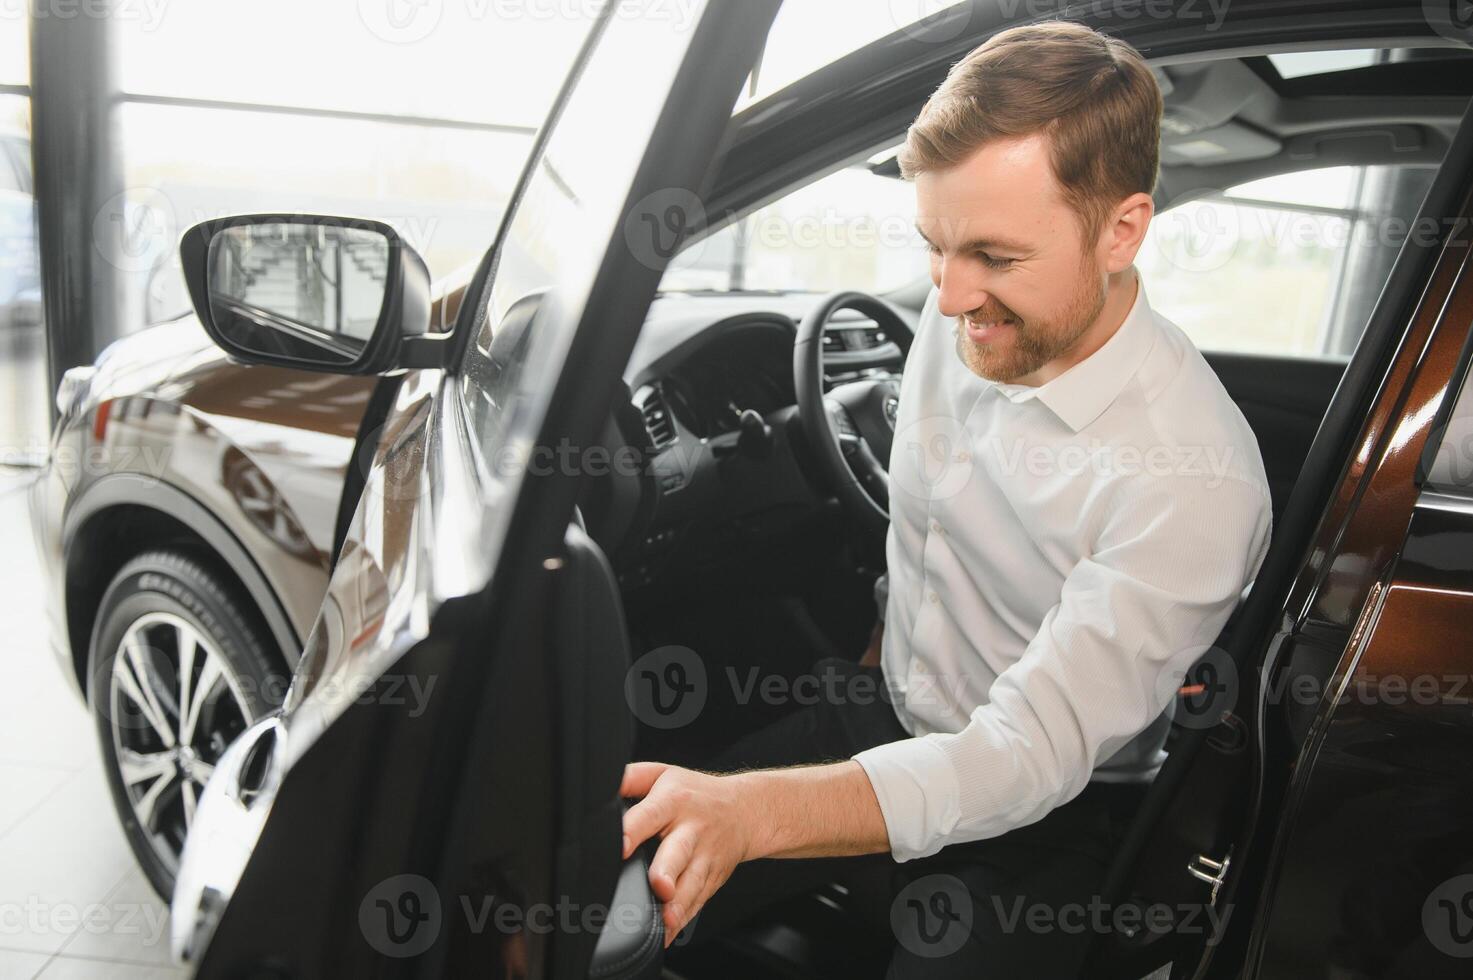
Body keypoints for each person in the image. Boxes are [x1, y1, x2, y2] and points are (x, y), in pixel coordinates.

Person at [621, 20, 1272, 977]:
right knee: (608, 884)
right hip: (883, 709)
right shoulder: (960, 307)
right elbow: (922, 523)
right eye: (934, 245)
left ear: (1122, 230)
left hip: (1048, 814)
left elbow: (1022, 755)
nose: (953, 295)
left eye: (996, 258)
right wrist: (877, 654)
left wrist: (758, 813)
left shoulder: (1194, 481)